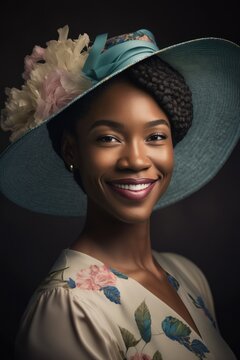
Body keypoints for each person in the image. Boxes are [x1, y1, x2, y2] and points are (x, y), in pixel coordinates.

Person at [0, 26, 239, 360]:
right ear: (72, 151)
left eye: (155, 136)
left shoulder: (188, 276)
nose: (137, 160)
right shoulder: (68, 310)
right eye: (108, 138)